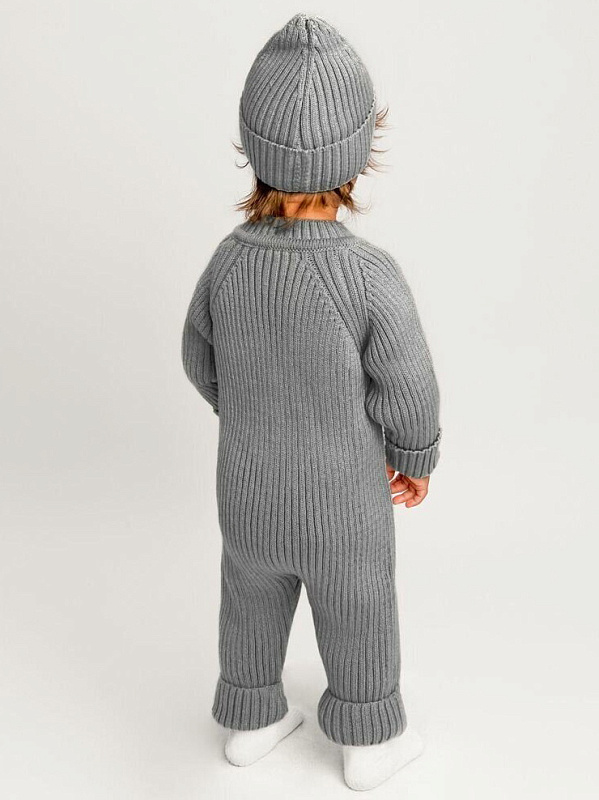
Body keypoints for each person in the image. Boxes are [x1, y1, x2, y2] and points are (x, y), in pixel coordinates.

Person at [182, 12, 442, 792]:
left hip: (247, 492)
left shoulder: (226, 263)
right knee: (358, 604)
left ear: (251, 147)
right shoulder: (367, 274)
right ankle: (368, 738)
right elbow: (409, 383)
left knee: (248, 598)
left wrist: (247, 407)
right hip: (343, 502)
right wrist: (414, 455)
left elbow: (197, 355)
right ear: (358, 153)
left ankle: (252, 718)